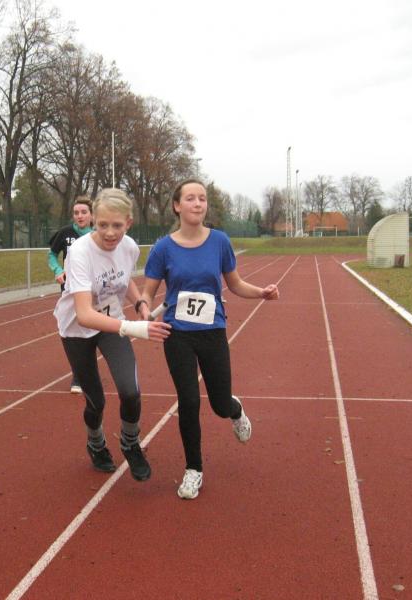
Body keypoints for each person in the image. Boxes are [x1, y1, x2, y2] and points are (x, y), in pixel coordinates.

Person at [141, 179, 280, 500]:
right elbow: (148, 292)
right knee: (189, 401)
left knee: (219, 404)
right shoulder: (163, 248)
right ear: (177, 206)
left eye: (202, 198)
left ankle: (235, 409)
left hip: (212, 331)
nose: (197, 203)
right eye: (190, 198)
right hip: (177, 334)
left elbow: (235, 284)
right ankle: (194, 469)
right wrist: (145, 308)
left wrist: (261, 293)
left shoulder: (219, 241)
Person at [53, 188, 171, 481]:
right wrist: (132, 327)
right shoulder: (80, 252)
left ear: (128, 222)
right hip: (77, 329)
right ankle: (96, 443)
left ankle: (130, 442)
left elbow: (124, 278)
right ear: (93, 220)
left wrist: (140, 303)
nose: (109, 233)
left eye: (117, 225)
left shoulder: (129, 247)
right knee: (96, 401)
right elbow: (84, 313)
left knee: (130, 391)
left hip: (112, 323)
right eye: (103, 224)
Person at [47, 196, 93, 394]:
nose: (79, 216)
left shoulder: (98, 234)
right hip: (70, 289)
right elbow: (51, 254)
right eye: (76, 213)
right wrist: (57, 270)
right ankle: (78, 373)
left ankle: (86, 369)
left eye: (84, 212)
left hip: (93, 289)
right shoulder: (66, 233)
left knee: (91, 329)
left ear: (92, 215)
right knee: (73, 331)